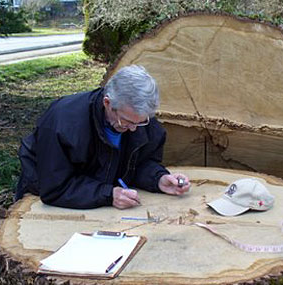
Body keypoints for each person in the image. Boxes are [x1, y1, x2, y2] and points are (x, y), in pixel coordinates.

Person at [16, 65, 190, 209]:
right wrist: (108, 194)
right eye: (127, 122)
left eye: (141, 122)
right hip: (47, 199)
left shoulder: (139, 119)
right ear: (107, 103)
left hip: (100, 198)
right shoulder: (62, 122)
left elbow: (139, 164)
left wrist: (158, 179)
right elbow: (55, 187)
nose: (133, 129)